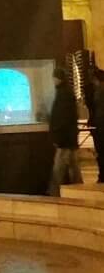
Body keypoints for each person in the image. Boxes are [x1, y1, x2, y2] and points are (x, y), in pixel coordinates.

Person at [48, 67, 83, 196]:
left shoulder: (63, 94)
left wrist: (57, 136)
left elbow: (61, 117)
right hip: (70, 137)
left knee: (59, 167)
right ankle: (79, 190)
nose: (53, 80)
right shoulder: (67, 92)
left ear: (58, 78)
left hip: (64, 139)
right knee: (74, 166)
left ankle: (54, 191)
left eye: (54, 77)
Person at [92, 68, 104, 185]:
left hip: (101, 128)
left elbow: (100, 113)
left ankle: (102, 176)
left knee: (101, 153)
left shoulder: (100, 91)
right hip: (101, 126)